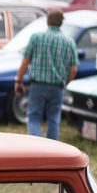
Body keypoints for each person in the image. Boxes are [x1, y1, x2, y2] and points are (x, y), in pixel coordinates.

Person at [14, 9, 78, 140]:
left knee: (34, 117)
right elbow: (73, 69)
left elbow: (26, 61)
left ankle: (35, 149)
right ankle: (52, 151)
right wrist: (65, 82)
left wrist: (18, 81)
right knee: (54, 119)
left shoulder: (36, 38)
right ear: (61, 23)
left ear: (48, 21)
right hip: (57, 87)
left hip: (38, 85)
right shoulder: (69, 42)